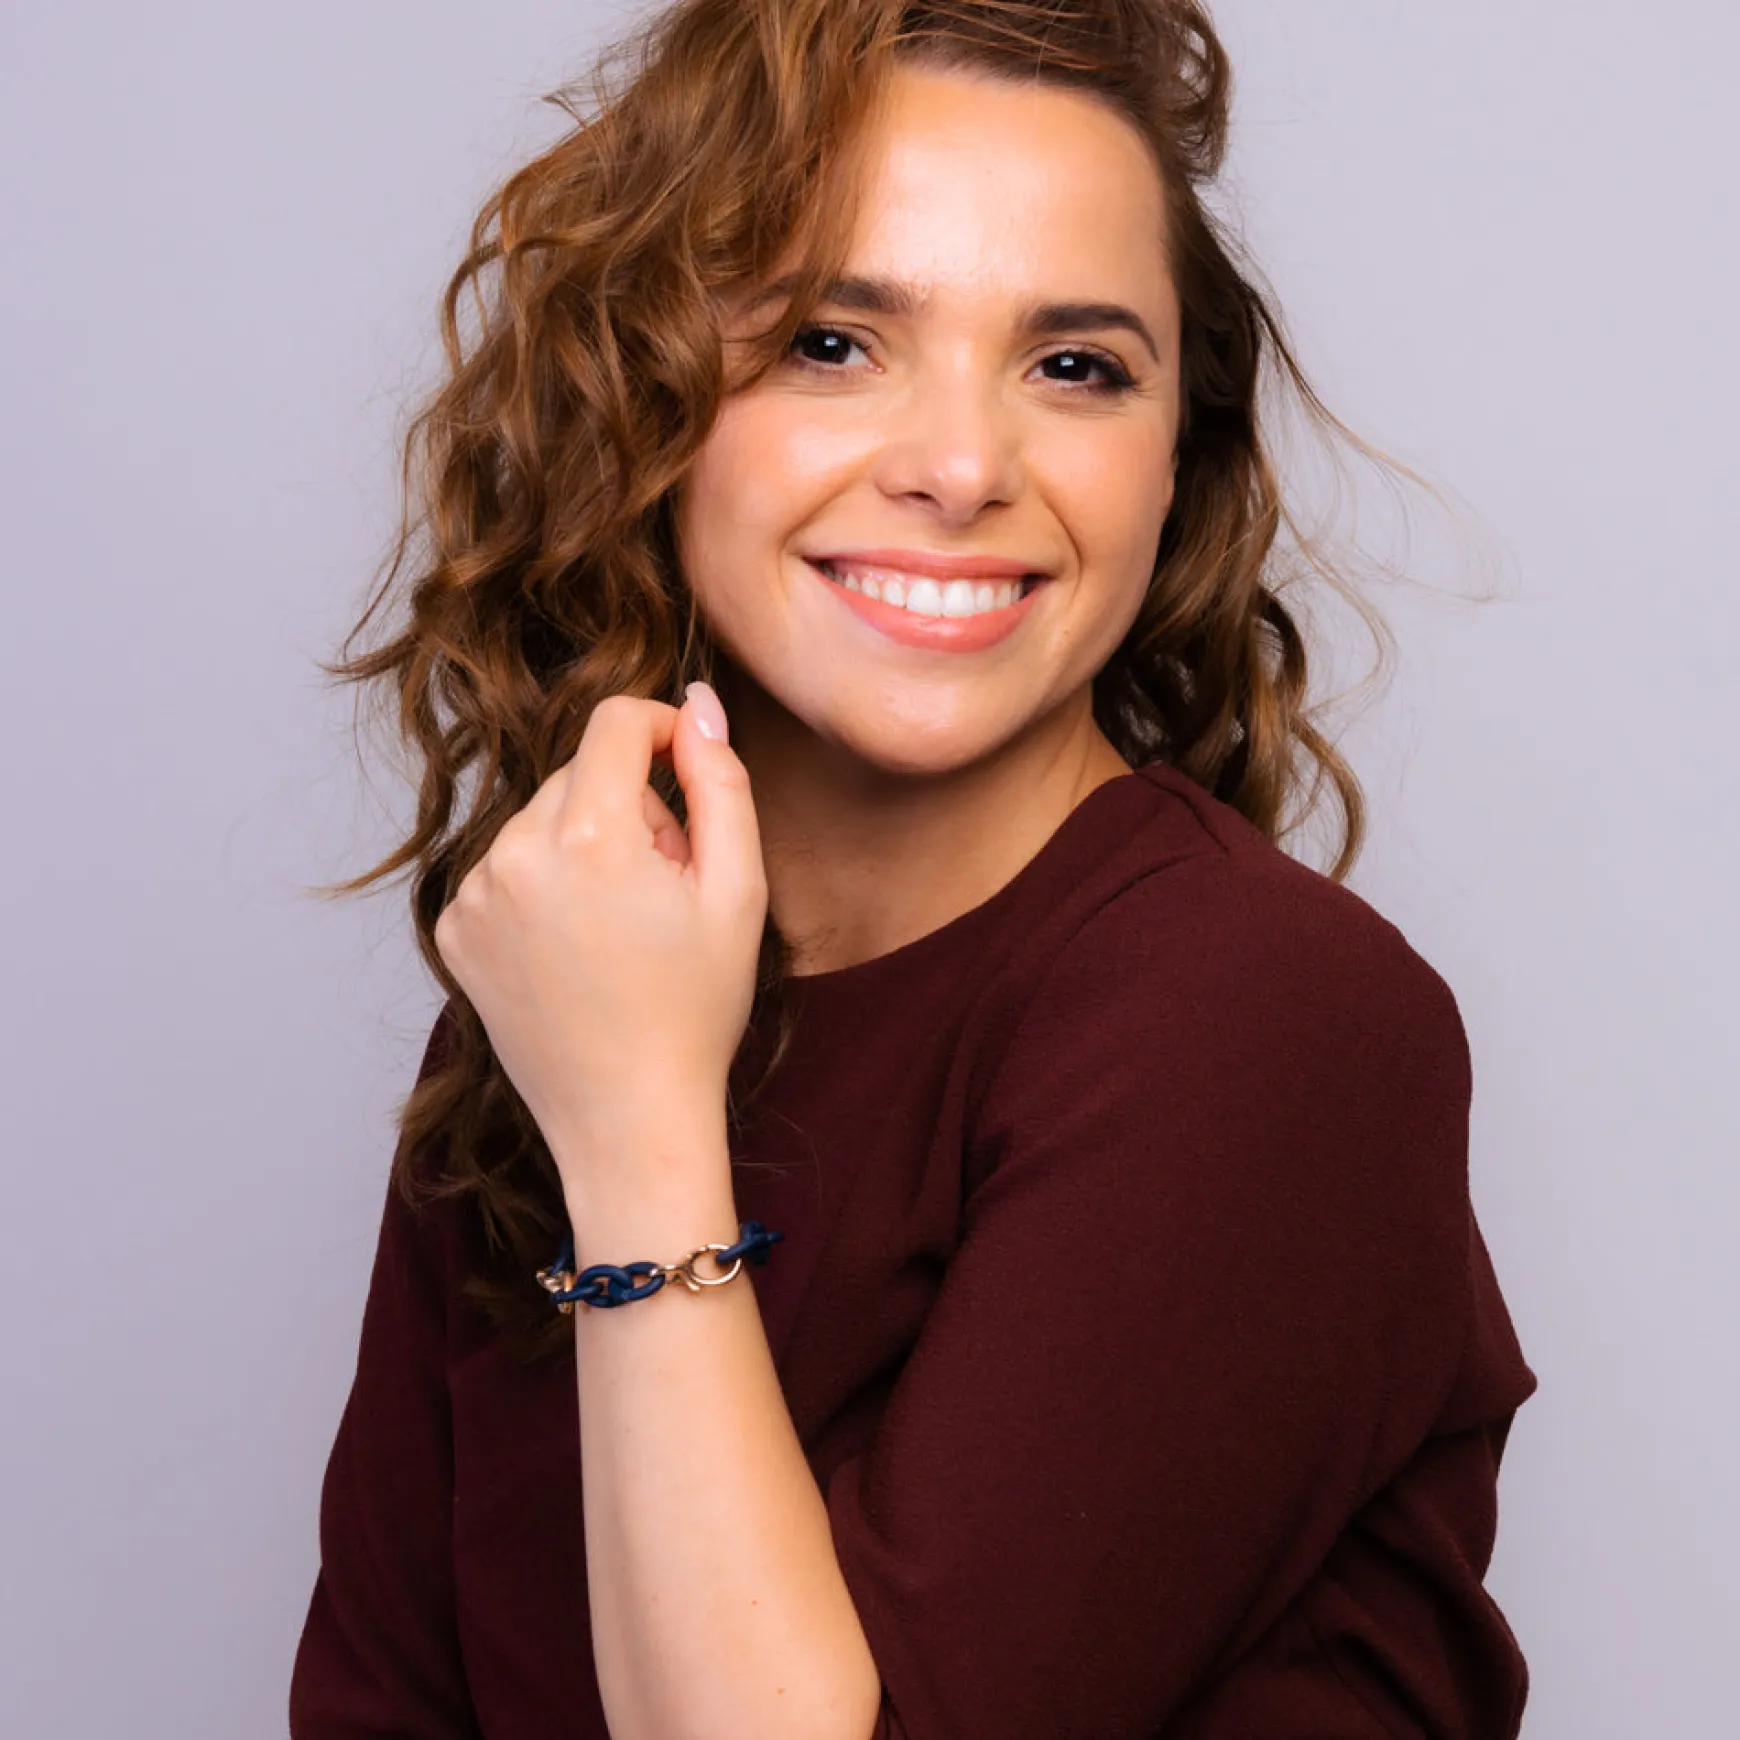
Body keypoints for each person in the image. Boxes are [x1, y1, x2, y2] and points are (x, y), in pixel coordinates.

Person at [290, 2, 1537, 1736]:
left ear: (1176, 458)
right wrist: (613, 1068)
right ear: (649, 398)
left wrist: (640, 1131)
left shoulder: (1266, 1016)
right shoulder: (578, 970)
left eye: (1075, 366)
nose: (961, 468)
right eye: (832, 342)